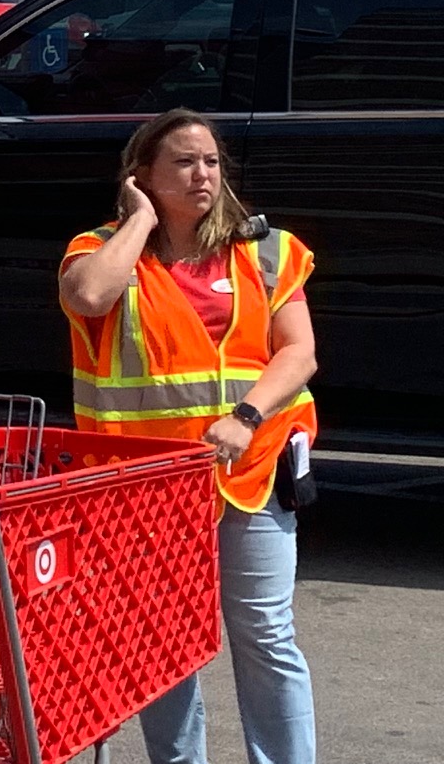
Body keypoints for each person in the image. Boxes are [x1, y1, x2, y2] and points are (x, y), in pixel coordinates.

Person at [59, 109, 318, 764]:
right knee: (160, 641)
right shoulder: (101, 249)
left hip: (250, 468)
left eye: (210, 161)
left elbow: (298, 354)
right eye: (182, 161)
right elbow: (88, 298)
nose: (202, 174)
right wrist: (140, 220)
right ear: (142, 175)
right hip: (149, 484)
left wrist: (246, 418)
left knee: (265, 633)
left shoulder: (268, 250)